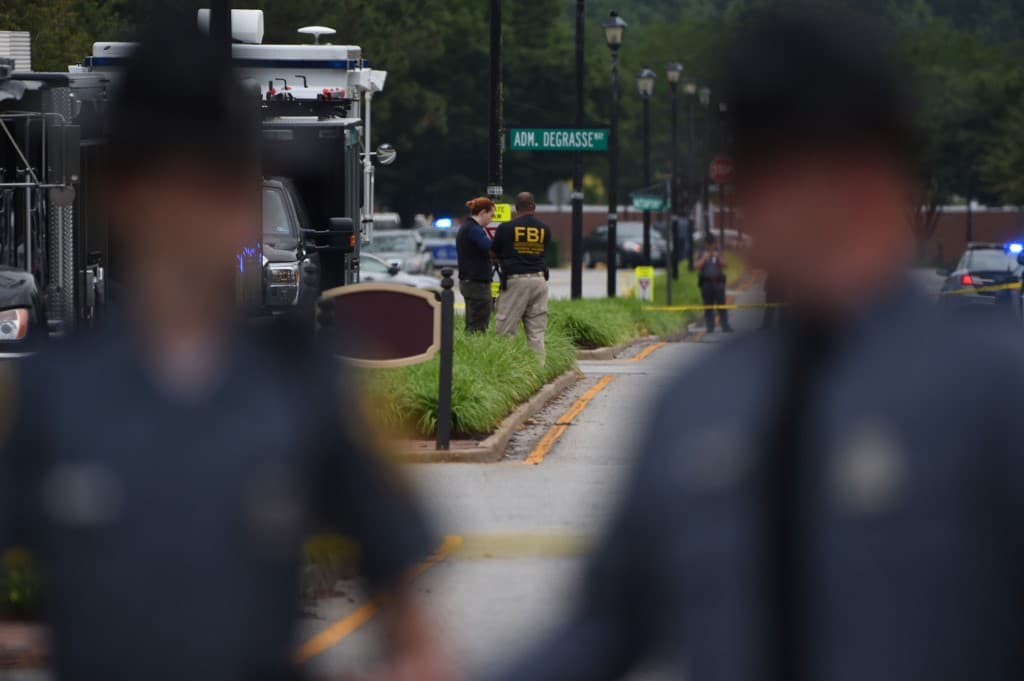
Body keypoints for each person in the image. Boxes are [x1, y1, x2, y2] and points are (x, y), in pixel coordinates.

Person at [489, 6, 1024, 681]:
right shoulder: (693, 405)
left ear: (888, 178)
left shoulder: (996, 395)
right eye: (765, 174)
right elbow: (604, 630)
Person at [0, 23, 448, 681]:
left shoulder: (315, 390)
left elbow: (417, 639)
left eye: (221, 180)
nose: (201, 212)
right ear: (122, 195)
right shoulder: (43, 398)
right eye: (172, 181)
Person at [490, 192, 552, 361]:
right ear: (534, 206)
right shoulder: (544, 228)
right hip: (539, 280)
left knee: (505, 330)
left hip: (516, 281)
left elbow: (493, 253)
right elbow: (544, 252)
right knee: (536, 333)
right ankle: (537, 372)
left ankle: (507, 371)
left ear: (516, 208)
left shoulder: (505, 228)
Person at [456, 197, 496, 333]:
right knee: (479, 324)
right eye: (491, 215)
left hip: (468, 281)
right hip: (477, 283)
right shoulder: (474, 230)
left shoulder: (466, 227)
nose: (492, 219)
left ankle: (471, 346)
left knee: (472, 321)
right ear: (483, 212)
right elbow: (490, 247)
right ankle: (476, 346)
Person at [695, 237, 734, 333]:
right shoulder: (702, 252)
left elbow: (726, 265)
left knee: (721, 305)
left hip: (718, 282)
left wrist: (718, 257)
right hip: (706, 283)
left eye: (713, 244)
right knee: (708, 306)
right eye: (710, 244)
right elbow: (696, 266)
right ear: (706, 244)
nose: (712, 246)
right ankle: (710, 326)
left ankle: (725, 325)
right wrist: (704, 258)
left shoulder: (719, 252)